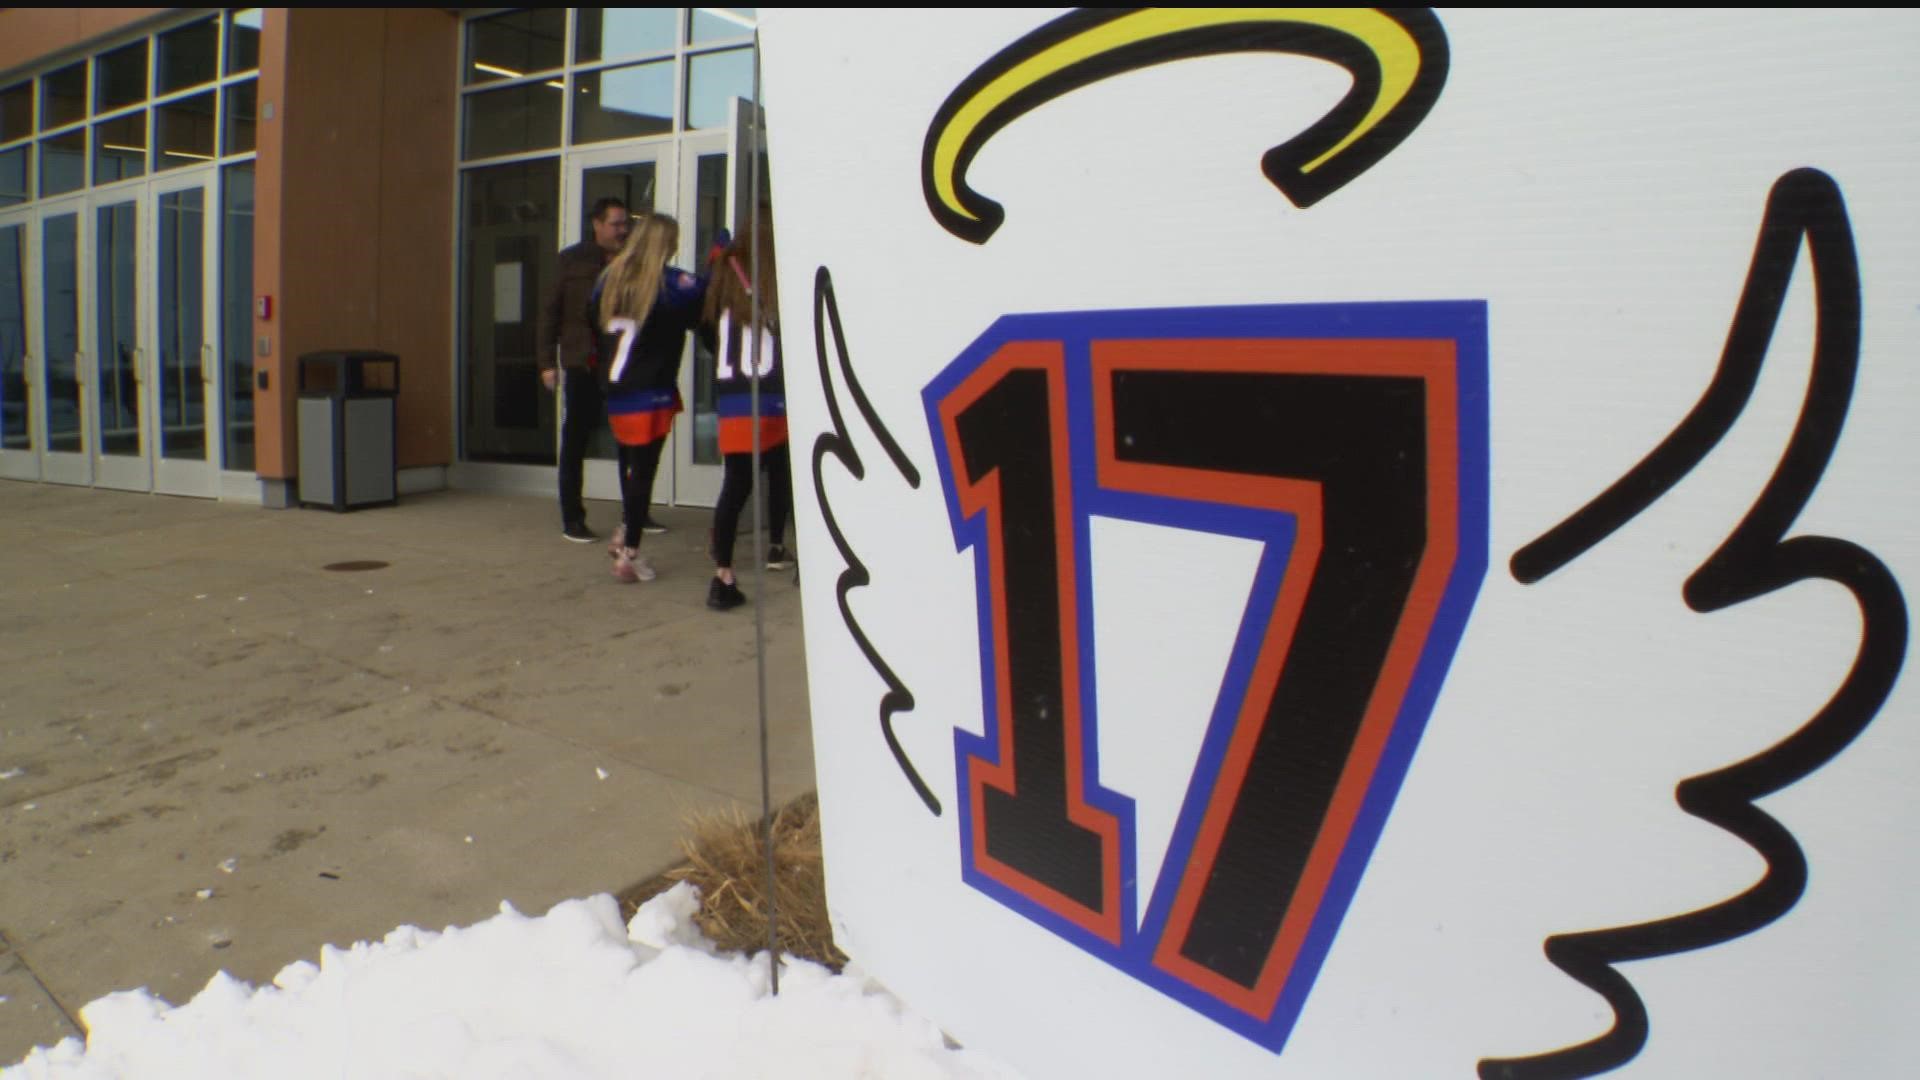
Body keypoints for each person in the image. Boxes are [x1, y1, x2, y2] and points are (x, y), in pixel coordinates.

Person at [592, 212, 705, 583]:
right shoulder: (669, 284)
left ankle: (626, 530)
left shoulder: (609, 281)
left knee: (630, 468)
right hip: (650, 391)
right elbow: (701, 304)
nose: (674, 246)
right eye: (671, 240)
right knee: (643, 473)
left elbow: (592, 320)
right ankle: (630, 553)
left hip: (618, 390)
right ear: (663, 243)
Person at [699, 220, 794, 611]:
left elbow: (706, 330)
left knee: (735, 486)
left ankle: (722, 573)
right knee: (783, 474)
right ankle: (776, 547)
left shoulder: (725, 272)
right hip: (772, 396)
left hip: (734, 398)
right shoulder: (778, 276)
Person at [537, 196, 630, 543]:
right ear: (597, 224)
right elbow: (549, 312)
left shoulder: (631, 260)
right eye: (616, 223)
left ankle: (635, 512)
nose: (623, 230)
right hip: (583, 361)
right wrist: (546, 362)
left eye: (625, 224)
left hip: (622, 361)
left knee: (630, 438)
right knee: (576, 438)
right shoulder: (572, 260)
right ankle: (572, 516)